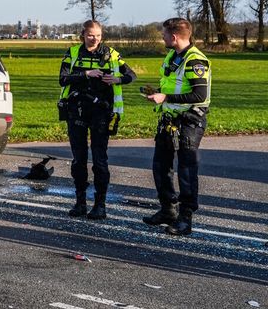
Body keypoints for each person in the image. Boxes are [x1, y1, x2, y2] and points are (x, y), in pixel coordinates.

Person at [57, 20, 135, 220]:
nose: (95, 39)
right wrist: (86, 74)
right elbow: (63, 78)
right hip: (77, 111)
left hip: (101, 112)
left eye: (98, 35)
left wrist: (117, 79)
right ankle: (80, 202)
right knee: (79, 159)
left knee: (100, 160)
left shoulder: (112, 54)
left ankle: (100, 205)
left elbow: (130, 75)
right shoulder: (73, 53)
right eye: (91, 35)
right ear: (83, 34)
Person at [142, 17, 211, 236]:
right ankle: (167, 210)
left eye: (163, 35)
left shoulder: (195, 60)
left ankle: (185, 218)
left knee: (186, 171)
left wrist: (166, 97)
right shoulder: (173, 56)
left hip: (189, 122)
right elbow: (172, 82)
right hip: (168, 120)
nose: (161, 38)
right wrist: (157, 93)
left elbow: (200, 94)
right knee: (160, 167)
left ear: (173, 37)